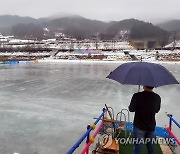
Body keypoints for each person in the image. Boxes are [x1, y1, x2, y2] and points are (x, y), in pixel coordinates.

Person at [129, 86, 161, 154]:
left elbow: (131, 109)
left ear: (143, 85)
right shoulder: (157, 97)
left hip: (139, 126)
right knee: (151, 148)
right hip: (151, 126)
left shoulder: (137, 95)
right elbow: (157, 110)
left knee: (137, 149)